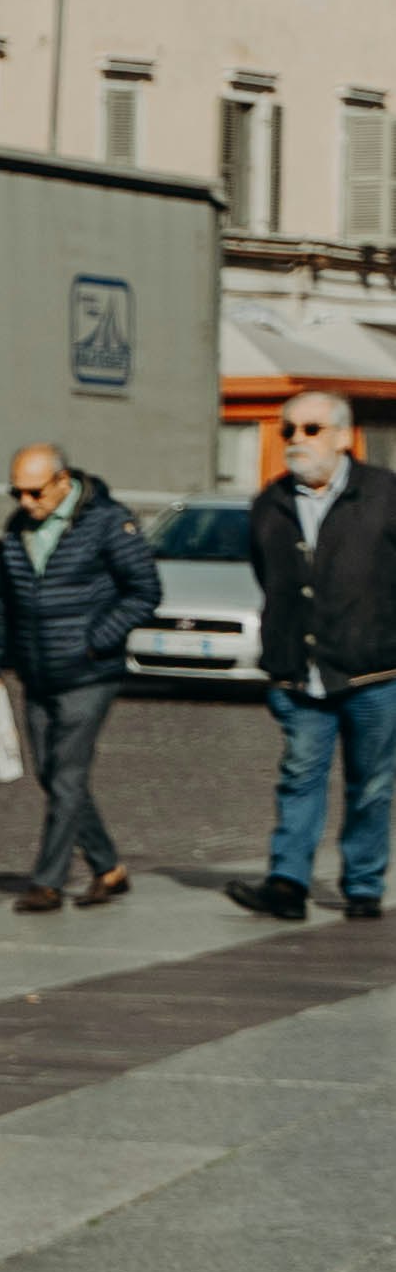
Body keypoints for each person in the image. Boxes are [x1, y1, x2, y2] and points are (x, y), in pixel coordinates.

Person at [239, 389, 396, 924]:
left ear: (343, 436)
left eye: (310, 430)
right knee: (299, 777)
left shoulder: (384, 495)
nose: (295, 441)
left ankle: (363, 884)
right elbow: (269, 576)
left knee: (370, 784)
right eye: (288, 431)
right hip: (299, 673)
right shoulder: (271, 502)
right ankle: (287, 882)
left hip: (373, 670)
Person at [0, 445, 155, 915]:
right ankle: (108, 868)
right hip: (38, 670)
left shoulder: (108, 522)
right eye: (16, 492)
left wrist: (95, 640)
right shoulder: (17, 527)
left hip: (89, 672)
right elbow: (5, 603)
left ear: (63, 481)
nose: (25, 502)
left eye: (34, 492)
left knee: (66, 775)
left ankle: (48, 882)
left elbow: (144, 590)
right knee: (50, 773)